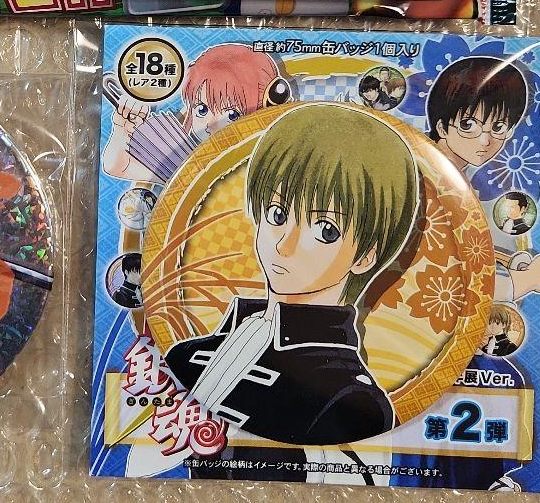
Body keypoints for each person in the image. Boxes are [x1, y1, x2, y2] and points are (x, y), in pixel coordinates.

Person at [165, 103, 419, 446]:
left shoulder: (351, 401)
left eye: (325, 230)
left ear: (365, 256)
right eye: (277, 213)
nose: (285, 244)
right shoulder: (184, 356)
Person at [426, 55, 540, 301]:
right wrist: (528, 281)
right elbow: (438, 277)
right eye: (468, 125)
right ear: (441, 127)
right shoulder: (425, 180)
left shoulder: (453, 177)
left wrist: (507, 263)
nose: (485, 140)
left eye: (498, 128)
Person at [102, 44, 281, 184]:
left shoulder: (268, 168)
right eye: (202, 109)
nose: (210, 124)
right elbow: (119, 166)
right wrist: (121, 129)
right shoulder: (187, 166)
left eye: (232, 115)